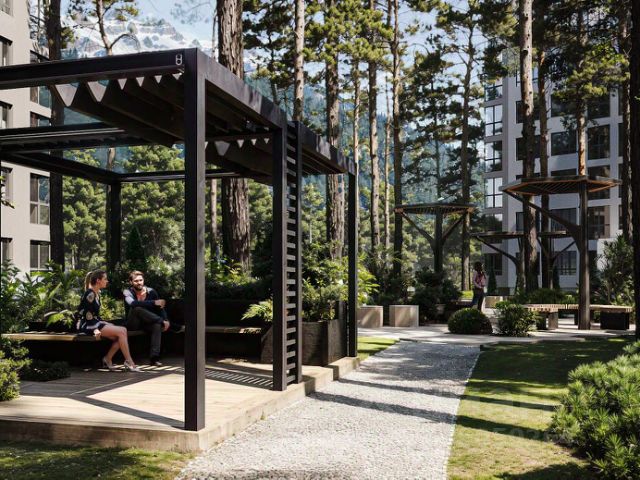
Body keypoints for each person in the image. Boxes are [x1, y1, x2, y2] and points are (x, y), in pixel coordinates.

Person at [77, 270, 141, 372]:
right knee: (122, 331)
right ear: (98, 281)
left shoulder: (96, 293)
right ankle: (129, 362)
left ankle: (108, 358)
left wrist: (104, 322)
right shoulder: (90, 293)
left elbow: (94, 314)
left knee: (121, 335)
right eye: (105, 279)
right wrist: (95, 329)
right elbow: (86, 314)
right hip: (88, 325)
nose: (107, 281)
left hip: (94, 322)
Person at [123, 270, 176, 366]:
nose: (139, 283)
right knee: (137, 309)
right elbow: (132, 303)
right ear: (131, 282)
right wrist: (153, 303)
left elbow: (160, 308)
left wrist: (166, 320)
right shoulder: (127, 292)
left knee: (157, 325)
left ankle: (154, 358)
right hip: (133, 324)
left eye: (141, 280)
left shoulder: (151, 292)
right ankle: (168, 324)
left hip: (147, 322)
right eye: (136, 281)